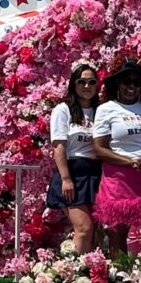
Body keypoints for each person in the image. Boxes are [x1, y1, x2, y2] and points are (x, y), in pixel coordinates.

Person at [92, 56, 141, 256]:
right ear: (118, 84)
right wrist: (131, 162)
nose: (131, 86)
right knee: (118, 230)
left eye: (136, 82)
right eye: (127, 81)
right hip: (119, 177)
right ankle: (122, 278)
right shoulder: (106, 109)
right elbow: (99, 149)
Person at [46, 61, 102, 253]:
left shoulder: (101, 111)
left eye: (92, 82)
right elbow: (59, 145)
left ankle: (92, 273)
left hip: (97, 172)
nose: (87, 87)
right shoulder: (63, 110)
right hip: (73, 171)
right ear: (74, 84)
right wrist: (66, 178)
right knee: (83, 228)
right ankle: (77, 274)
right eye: (82, 82)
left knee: (95, 232)